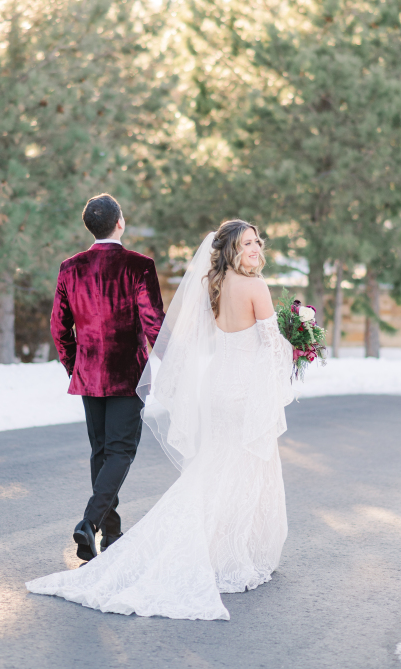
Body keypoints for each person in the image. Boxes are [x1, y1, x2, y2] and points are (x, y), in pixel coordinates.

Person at [28, 219, 295, 620]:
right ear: (233, 251)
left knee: (214, 467)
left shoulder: (215, 285)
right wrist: (301, 345)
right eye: (247, 243)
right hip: (241, 392)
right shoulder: (255, 287)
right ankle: (231, 554)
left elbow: (203, 335)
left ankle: (194, 544)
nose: (256, 248)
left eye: (258, 241)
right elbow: (270, 346)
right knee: (245, 466)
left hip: (217, 386)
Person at [49, 193, 165, 562]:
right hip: (127, 374)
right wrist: (172, 363)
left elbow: (58, 327)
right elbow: (153, 324)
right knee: (121, 452)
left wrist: (75, 363)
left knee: (101, 453)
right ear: (121, 222)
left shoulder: (70, 267)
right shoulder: (140, 265)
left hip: (89, 374)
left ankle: (112, 534)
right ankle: (89, 523)